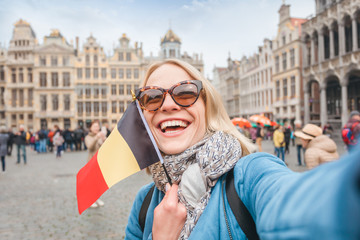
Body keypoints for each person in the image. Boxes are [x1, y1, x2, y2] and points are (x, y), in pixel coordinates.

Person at [124, 59, 360, 239]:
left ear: (208, 106)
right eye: (152, 97)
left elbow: (307, 207)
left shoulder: (251, 174)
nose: (167, 105)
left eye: (185, 93)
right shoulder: (144, 202)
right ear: (142, 116)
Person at [85, 120, 106, 208]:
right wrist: (96, 138)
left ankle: (97, 198)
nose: (96, 128)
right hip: (92, 162)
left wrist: (104, 138)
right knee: (92, 183)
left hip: (100, 162)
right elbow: (90, 147)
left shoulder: (100, 136)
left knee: (99, 182)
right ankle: (90, 200)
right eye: (94, 126)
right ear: (90, 128)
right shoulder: (88, 137)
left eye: (97, 126)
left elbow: (107, 146)